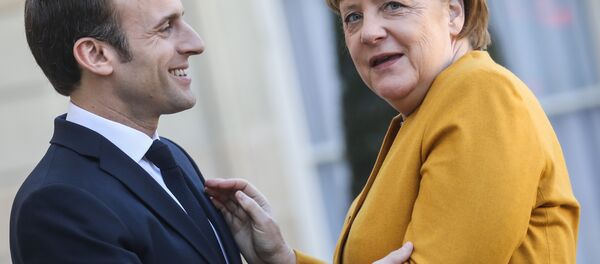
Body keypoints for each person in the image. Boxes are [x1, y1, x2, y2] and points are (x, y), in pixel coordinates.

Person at [205, 0, 580, 263]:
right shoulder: (423, 115)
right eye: (352, 16)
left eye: (393, 5)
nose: (368, 32)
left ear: (453, 12)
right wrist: (284, 260)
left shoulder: (480, 93)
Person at [10, 0, 241, 263]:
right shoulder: (57, 205)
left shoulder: (171, 157)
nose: (195, 43)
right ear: (95, 55)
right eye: (165, 27)